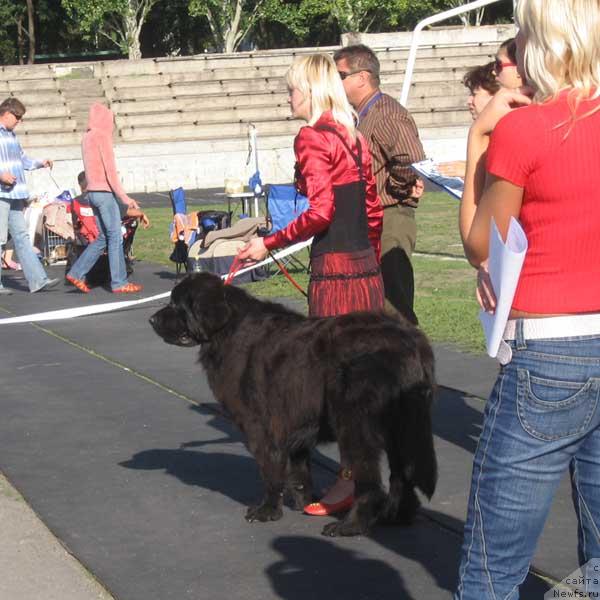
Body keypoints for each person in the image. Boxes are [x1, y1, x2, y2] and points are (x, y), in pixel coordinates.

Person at [455, 1, 600, 597]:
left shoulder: (524, 129)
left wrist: (478, 139)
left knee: (493, 566)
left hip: (549, 354)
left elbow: (479, 244)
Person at [238, 53, 384, 517]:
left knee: (338, 382)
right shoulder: (353, 135)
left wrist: (269, 244)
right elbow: (372, 211)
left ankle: (354, 481)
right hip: (364, 271)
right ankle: (367, 478)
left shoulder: (313, 136)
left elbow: (320, 211)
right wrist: (370, 263)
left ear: (310, 91)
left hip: (338, 276)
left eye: (292, 89)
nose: (288, 97)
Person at [333, 44, 425, 325]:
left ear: (362, 77)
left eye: (341, 75)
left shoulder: (385, 113)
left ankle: (408, 361)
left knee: (393, 304)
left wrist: (396, 188)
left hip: (390, 218)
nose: (336, 83)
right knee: (375, 304)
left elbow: (411, 158)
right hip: (372, 219)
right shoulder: (364, 115)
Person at [66, 103, 143, 294]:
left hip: (91, 193)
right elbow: (110, 172)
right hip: (104, 193)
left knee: (102, 237)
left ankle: (77, 272)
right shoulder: (102, 137)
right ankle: (119, 282)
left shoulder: (87, 137)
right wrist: (125, 198)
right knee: (115, 236)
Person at [0, 97, 59, 295]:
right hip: (1, 194)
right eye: (17, 117)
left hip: (16, 194)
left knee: (23, 238)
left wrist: (40, 163)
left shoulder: (12, 136)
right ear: (7, 114)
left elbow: (23, 160)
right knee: (0, 240)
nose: (19, 121)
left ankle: (38, 280)